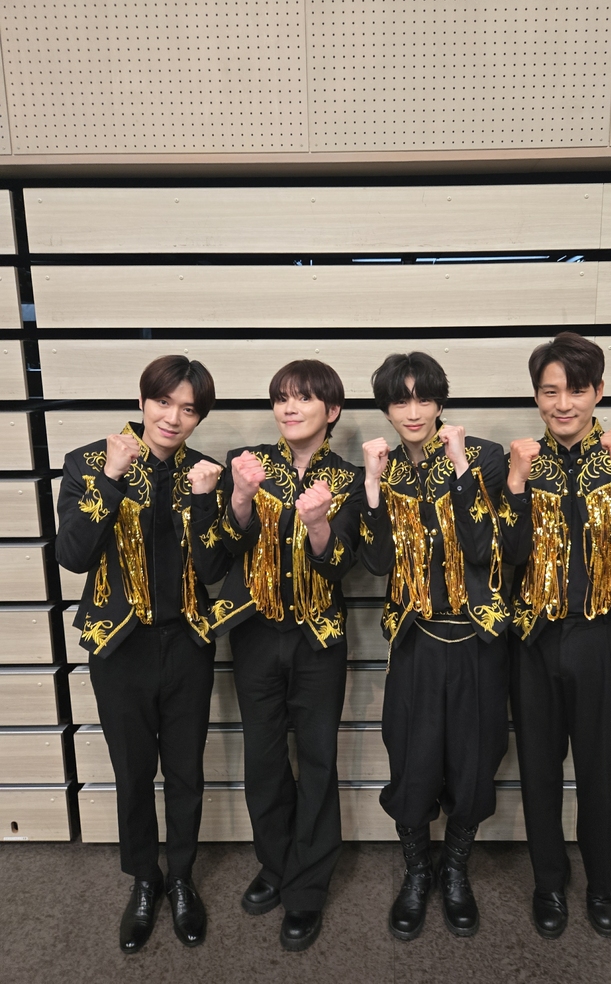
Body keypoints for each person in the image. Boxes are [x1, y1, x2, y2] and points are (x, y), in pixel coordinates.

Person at [56, 355, 226, 954]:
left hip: (187, 643)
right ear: (142, 402)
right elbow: (73, 555)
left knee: (185, 771)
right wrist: (110, 477)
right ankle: (144, 880)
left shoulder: (204, 472)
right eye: (163, 402)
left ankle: (180, 877)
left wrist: (206, 501)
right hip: (119, 644)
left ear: (198, 417)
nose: (173, 417)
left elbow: (215, 569)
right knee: (132, 772)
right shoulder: (86, 463)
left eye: (188, 409)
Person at [503, 331, 611, 940]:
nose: (564, 403)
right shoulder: (519, 462)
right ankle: (549, 883)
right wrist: (516, 485)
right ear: (537, 397)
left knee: (604, 770)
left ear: (598, 391)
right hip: (536, 640)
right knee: (539, 771)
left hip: (606, 641)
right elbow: (507, 557)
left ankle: (602, 882)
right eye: (550, 392)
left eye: (576, 390)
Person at [359, 351, 525, 941]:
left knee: (475, 761)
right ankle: (416, 871)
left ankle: (455, 870)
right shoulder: (379, 468)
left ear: (440, 403)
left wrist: (458, 468)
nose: (413, 411)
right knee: (412, 757)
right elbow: (376, 561)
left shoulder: (484, 455)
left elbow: (484, 549)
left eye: (423, 398)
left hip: (479, 638)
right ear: (386, 408)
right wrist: (371, 485)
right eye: (400, 400)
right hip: (416, 640)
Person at [207, 359, 363, 953]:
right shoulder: (245, 463)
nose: (289, 408)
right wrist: (241, 500)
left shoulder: (348, 479)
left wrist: (319, 525)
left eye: (303, 398)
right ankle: (275, 865)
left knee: (318, 759)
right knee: (265, 757)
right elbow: (223, 549)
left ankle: (307, 887)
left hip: (318, 638)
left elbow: (342, 563)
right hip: (254, 632)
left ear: (333, 410)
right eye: (281, 398)